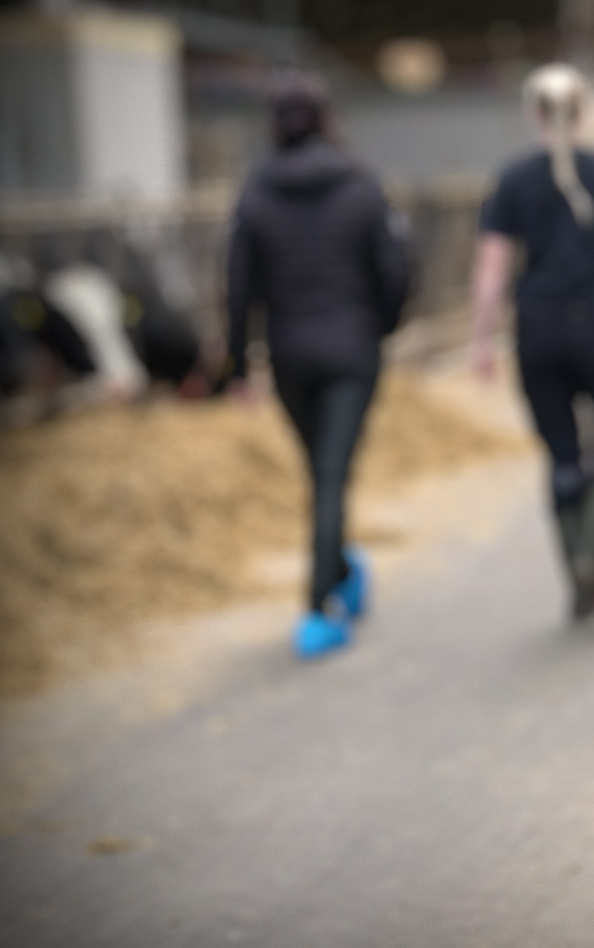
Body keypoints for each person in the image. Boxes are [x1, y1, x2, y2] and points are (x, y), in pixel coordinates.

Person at [226, 73, 411, 658]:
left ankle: (338, 567)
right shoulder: (359, 184)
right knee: (331, 475)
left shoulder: (255, 191)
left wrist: (237, 365)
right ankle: (319, 603)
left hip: (290, 357)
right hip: (353, 351)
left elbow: (235, 286)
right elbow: (397, 268)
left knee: (321, 471)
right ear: (328, 117)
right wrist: (382, 326)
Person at [470, 63, 594, 621]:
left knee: (563, 456)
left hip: (537, 327)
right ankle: (590, 558)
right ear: (580, 112)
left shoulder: (511, 178)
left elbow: (492, 266)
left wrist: (482, 339)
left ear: (533, 112)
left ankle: (576, 574)